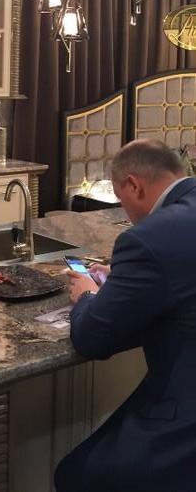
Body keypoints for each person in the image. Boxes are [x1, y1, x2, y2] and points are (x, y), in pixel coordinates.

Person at [55, 138, 196, 492]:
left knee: (74, 475)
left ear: (134, 185)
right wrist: (128, 277)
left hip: (184, 417)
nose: (125, 210)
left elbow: (92, 337)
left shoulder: (149, 237)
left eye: (121, 199)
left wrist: (86, 294)